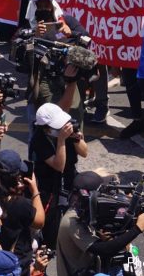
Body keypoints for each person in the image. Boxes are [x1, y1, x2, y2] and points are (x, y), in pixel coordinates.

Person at [56, 171, 144, 275]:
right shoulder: (72, 221)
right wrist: (137, 229)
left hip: (93, 266)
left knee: (130, 254)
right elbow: (105, 250)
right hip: (81, 272)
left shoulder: (86, 209)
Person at [31, 102, 88, 247]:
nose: (64, 127)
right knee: (52, 222)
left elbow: (84, 152)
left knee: (79, 208)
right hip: (49, 183)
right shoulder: (39, 140)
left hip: (70, 175)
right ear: (47, 129)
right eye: (58, 126)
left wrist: (76, 139)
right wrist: (61, 140)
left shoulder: (68, 128)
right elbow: (58, 166)